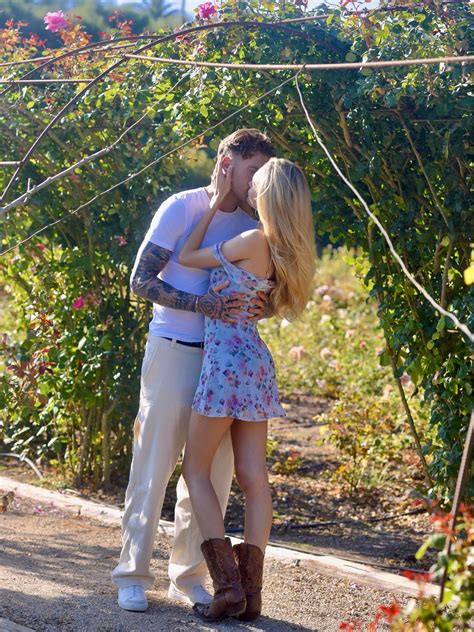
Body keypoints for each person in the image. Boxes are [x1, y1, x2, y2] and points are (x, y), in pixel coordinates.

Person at [111, 129, 275, 612]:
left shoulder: (254, 222)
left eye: (263, 173)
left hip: (224, 362)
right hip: (174, 350)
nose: (257, 182)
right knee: (154, 464)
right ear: (226, 162)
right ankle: (132, 574)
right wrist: (201, 303)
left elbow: (261, 294)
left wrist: (260, 306)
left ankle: (188, 576)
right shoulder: (181, 207)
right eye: (252, 171)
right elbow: (140, 280)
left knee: (212, 476)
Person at [178, 156, 316, 621]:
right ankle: (251, 594)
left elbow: (187, 255)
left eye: (256, 184)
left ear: (268, 194)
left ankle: (227, 587)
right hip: (255, 363)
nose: (249, 189)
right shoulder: (285, 249)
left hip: (225, 363)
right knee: (254, 478)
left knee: (195, 469)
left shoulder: (253, 239)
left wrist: (215, 201)